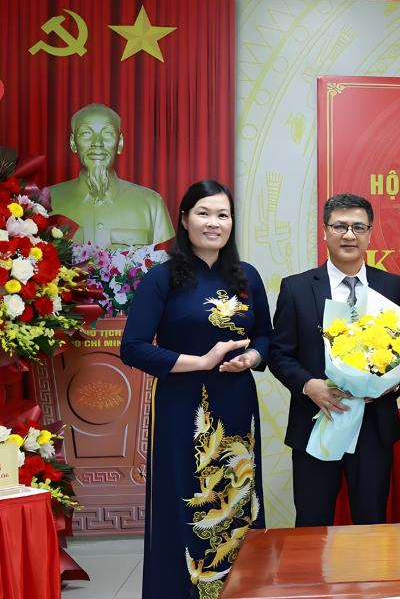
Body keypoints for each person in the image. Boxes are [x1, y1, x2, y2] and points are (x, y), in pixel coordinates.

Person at [120, 180, 270, 599]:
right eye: (203, 213)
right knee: (186, 498)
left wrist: (251, 358)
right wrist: (201, 362)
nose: (213, 223)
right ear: (184, 220)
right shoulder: (162, 277)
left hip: (237, 402)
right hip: (181, 406)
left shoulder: (247, 277)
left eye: (223, 214)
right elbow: (132, 347)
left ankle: (239, 590)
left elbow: (265, 335)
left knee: (237, 495)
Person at [269, 193, 400, 526]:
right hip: (317, 420)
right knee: (312, 523)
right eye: (340, 226)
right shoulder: (297, 288)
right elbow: (278, 352)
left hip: (373, 425)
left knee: (371, 524)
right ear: (325, 231)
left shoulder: (391, 285)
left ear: (370, 233)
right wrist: (309, 385)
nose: (349, 235)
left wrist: (391, 383)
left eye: (358, 227)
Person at [47, 103, 175, 249]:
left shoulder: (152, 204)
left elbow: (165, 258)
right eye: (86, 133)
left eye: (107, 133)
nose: (97, 143)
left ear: (120, 143)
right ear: (73, 143)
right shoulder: (45, 201)